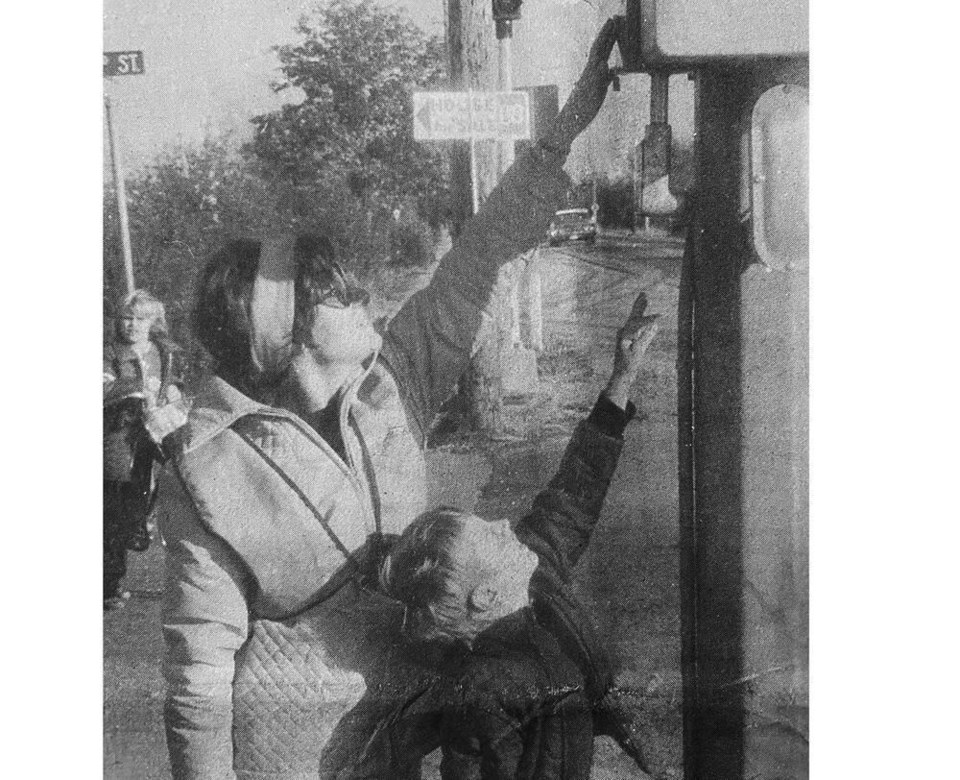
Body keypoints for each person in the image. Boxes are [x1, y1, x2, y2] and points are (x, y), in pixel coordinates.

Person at [158, 19, 621, 780]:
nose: (366, 298)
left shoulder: (392, 381)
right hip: (301, 758)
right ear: (293, 335)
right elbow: (195, 688)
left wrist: (564, 129)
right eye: (342, 299)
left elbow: (479, 253)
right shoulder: (209, 477)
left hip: (419, 736)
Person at [338, 295, 659, 780]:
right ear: (485, 593)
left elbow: (573, 496)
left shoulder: (536, 581)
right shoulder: (481, 690)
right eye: (493, 535)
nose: (507, 525)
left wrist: (619, 384)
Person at [103, 290, 183, 610]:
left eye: (140, 319)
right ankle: (108, 584)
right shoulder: (108, 353)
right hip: (116, 440)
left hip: (152, 439)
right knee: (113, 511)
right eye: (127, 318)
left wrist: (172, 397)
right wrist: (134, 389)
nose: (132, 325)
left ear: (153, 322)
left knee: (140, 508)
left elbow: (171, 385)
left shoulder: (162, 353)